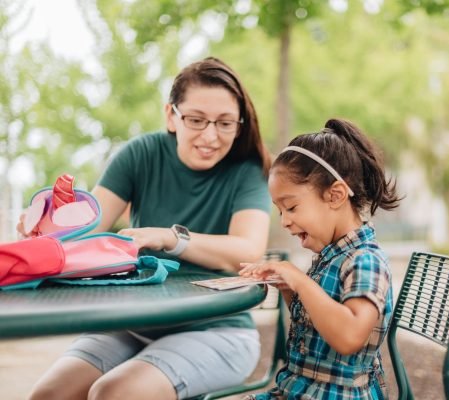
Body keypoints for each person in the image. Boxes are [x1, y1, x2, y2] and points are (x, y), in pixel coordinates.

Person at [23, 57, 273, 400]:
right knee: (48, 396)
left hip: (219, 330)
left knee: (114, 394)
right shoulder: (140, 154)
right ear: (171, 115)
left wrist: (171, 238)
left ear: (240, 125)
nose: (211, 136)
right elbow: (85, 230)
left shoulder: (247, 170)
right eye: (196, 120)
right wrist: (46, 227)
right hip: (132, 324)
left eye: (225, 123)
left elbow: (246, 251)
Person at [239, 118, 402, 399]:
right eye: (280, 211)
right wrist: (290, 290)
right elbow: (320, 328)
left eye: (291, 207)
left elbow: (349, 336)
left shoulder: (365, 260)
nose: (285, 221)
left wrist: (301, 282)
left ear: (336, 195)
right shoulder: (331, 255)